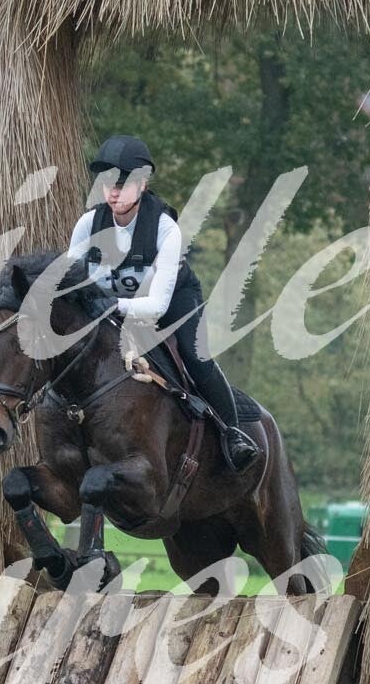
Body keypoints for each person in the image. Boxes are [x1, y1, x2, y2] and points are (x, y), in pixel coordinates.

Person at [65, 133, 261, 472]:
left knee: (196, 359)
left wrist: (109, 305)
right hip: (114, 309)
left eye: (122, 183)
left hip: (172, 305)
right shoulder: (88, 225)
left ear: (142, 184)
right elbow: (70, 281)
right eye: (108, 183)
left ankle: (233, 436)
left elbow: (156, 306)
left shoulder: (165, 229)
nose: (113, 191)